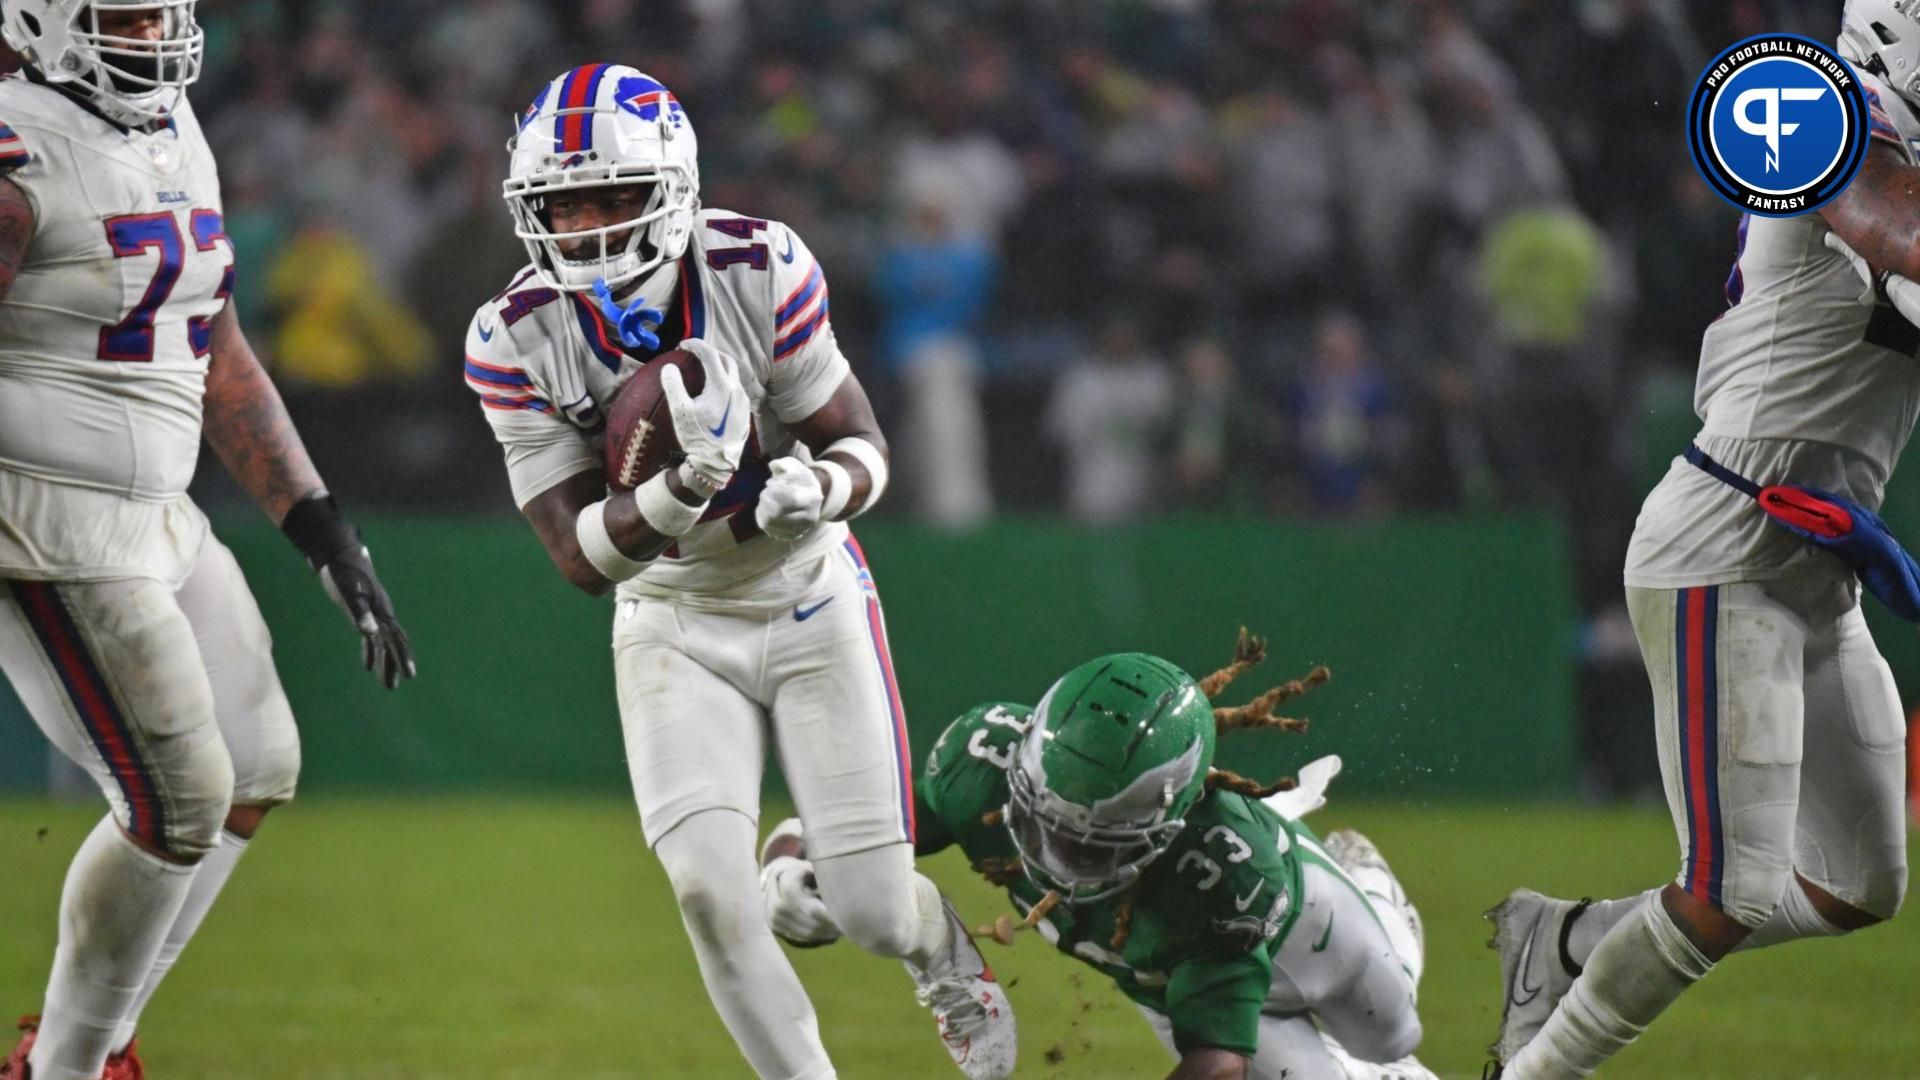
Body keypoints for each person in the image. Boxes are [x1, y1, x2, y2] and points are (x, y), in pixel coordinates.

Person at [462, 64, 1015, 1079]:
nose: (584, 227)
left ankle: (933, 940)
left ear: (671, 188)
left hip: (805, 589)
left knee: (873, 915)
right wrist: (677, 494)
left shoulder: (756, 264)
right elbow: (575, 558)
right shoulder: (512, 334)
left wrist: (823, 489)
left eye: (612, 198)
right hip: (670, 613)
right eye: (562, 203)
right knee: (708, 895)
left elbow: (865, 445)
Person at [1486, 5, 1920, 1075]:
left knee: (1860, 885)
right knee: (1731, 887)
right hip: (1724, 543)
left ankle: (1571, 938)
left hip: (1816, 560)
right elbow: (1899, 237)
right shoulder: (1828, 118)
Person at [0, 3, 415, 1078]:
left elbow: (216, 343)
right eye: (123, 16)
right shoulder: (14, 148)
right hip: (47, 522)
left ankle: (85, 1038)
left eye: (160, 12)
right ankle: (69, 1072)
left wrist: (321, 527)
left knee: (257, 767)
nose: (152, 36)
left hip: (161, 513)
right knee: (172, 801)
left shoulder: (174, 127)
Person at [763, 633, 1435, 1080]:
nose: (1055, 853)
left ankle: (1373, 889)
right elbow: (862, 829)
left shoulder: (1218, 870)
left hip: (1298, 930)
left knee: (1392, 1035)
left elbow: (1217, 1064)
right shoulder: (981, 768)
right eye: (1043, 818)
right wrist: (789, 858)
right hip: (1174, 982)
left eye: (1089, 841)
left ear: (1167, 822)